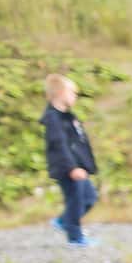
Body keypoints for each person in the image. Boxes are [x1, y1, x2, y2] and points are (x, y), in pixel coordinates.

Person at [41, 73, 100, 247]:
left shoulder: (68, 117)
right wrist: (72, 168)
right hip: (67, 169)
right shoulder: (53, 118)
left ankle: (63, 221)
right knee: (75, 201)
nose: (75, 97)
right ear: (60, 93)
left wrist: (87, 165)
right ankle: (75, 237)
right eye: (72, 93)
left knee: (89, 198)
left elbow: (79, 143)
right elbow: (59, 145)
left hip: (79, 167)